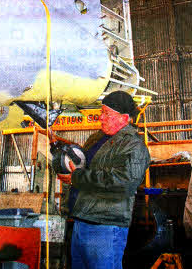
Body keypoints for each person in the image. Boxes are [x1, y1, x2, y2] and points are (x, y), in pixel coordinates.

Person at [58, 90, 150, 269]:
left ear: (124, 118)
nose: (100, 118)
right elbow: (83, 164)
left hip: (106, 227)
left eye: (106, 114)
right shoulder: (97, 138)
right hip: (81, 221)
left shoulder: (134, 146)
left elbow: (123, 183)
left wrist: (76, 177)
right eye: (101, 112)